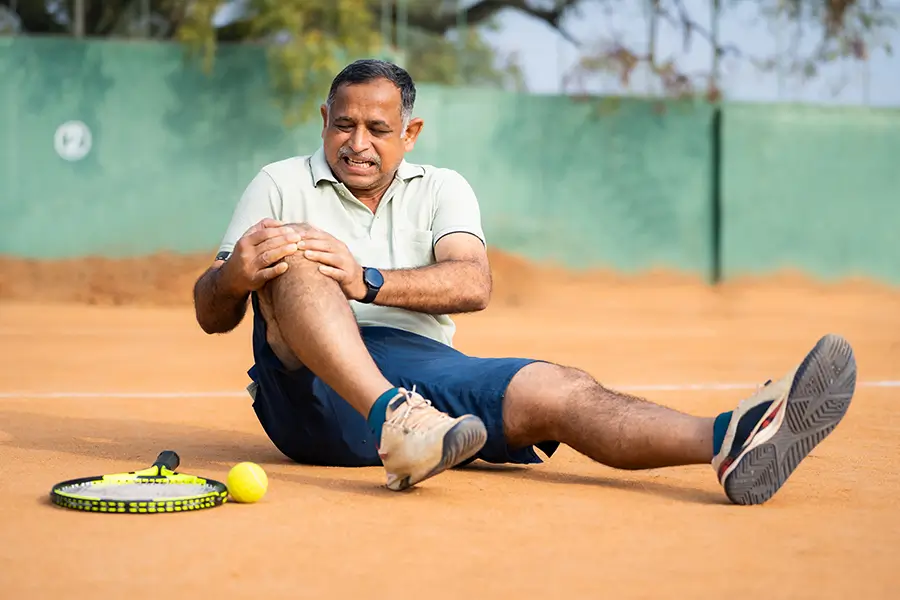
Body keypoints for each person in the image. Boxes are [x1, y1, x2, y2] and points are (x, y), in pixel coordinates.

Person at [192, 59, 857, 504]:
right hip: (312, 393)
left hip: (425, 371)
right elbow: (211, 314)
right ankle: (394, 422)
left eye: (377, 128)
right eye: (344, 124)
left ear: (410, 132)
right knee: (297, 259)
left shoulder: (443, 189)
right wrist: (232, 276)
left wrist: (364, 277)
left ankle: (727, 442)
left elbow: (471, 284)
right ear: (323, 120)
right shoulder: (280, 183)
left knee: (558, 387)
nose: (357, 142)